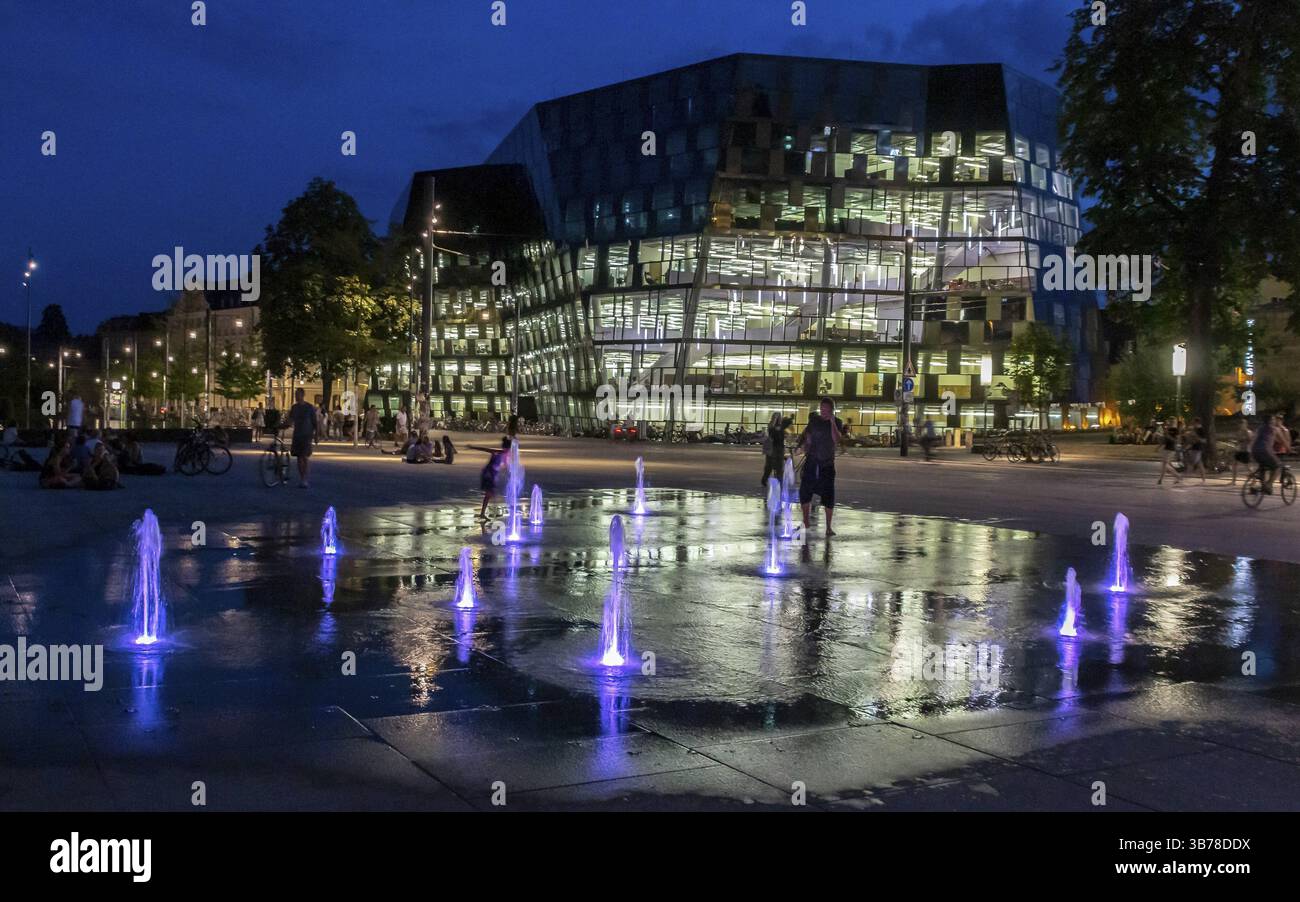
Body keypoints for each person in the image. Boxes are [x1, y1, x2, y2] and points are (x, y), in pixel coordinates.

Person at [797, 397, 842, 537]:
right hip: (812, 460)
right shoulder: (814, 420)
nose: (823, 412)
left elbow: (837, 439)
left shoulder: (837, 422)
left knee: (828, 494)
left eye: (826, 410)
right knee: (805, 491)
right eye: (822, 409)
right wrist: (804, 444)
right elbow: (806, 434)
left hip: (826, 463)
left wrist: (832, 422)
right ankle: (806, 522)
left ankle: (828, 527)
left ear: (832, 410)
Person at [470, 437, 511, 520]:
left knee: (490, 494)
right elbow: (485, 450)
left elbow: (504, 464)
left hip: (491, 474)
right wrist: (473, 447)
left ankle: (484, 513)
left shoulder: (503, 454)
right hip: (489, 474)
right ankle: (485, 513)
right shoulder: (500, 453)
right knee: (490, 493)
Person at [288, 388, 317, 488]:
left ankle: (305, 479)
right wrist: (281, 425)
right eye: (295, 394)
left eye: (298, 394)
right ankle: (302, 478)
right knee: (299, 457)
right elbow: (290, 420)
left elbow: (314, 421)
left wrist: (316, 435)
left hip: (306, 434)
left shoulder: (309, 407)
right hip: (297, 434)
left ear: (303, 395)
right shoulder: (294, 407)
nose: (296, 396)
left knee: (304, 456)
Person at [760, 413, 790, 488]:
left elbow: (785, 429)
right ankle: (765, 480)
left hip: (780, 448)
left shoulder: (781, 426)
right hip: (772, 448)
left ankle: (779, 481)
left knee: (779, 466)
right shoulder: (771, 425)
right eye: (777, 417)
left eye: (779, 417)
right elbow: (771, 429)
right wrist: (775, 420)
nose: (779, 418)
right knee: (769, 466)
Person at [1229, 417, 1253, 486]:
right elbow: (1237, 441)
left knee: (1247, 467)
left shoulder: (1248, 432)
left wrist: (1244, 440)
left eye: (1243, 424)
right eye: (1240, 424)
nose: (1241, 425)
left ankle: (1254, 479)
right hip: (1239, 450)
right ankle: (1233, 481)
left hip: (1245, 451)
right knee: (1234, 465)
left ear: (1246, 424)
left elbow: (1250, 441)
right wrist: (1235, 445)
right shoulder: (1239, 432)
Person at [1157, 417, 1181, 485]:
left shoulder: (1176, 430)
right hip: (1166, 448)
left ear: (1175, 422)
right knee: (1164, 465)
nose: (1171, 423)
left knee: (1165, 464)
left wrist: (1168, 436)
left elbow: (1176, 441)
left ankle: (1177, 476)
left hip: (1172, 449)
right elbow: (1164, 440)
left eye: (1172, 421)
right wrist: (1159, 446)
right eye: (1170, 421)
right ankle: (1161, 479)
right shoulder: (1168, 429)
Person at [1186, 417, 1209, 484]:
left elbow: (1204, 440)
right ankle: (1203, 480)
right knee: (1200, 464)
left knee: (1191, 463)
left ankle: (1181, 478)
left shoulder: (1201, 430)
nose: (1192, 423)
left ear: (1197, 422)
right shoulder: (1195, 429)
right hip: (1194, 448)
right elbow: (1192, 439)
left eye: (1193, 422)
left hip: (1198, 449)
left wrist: (1196, 437)